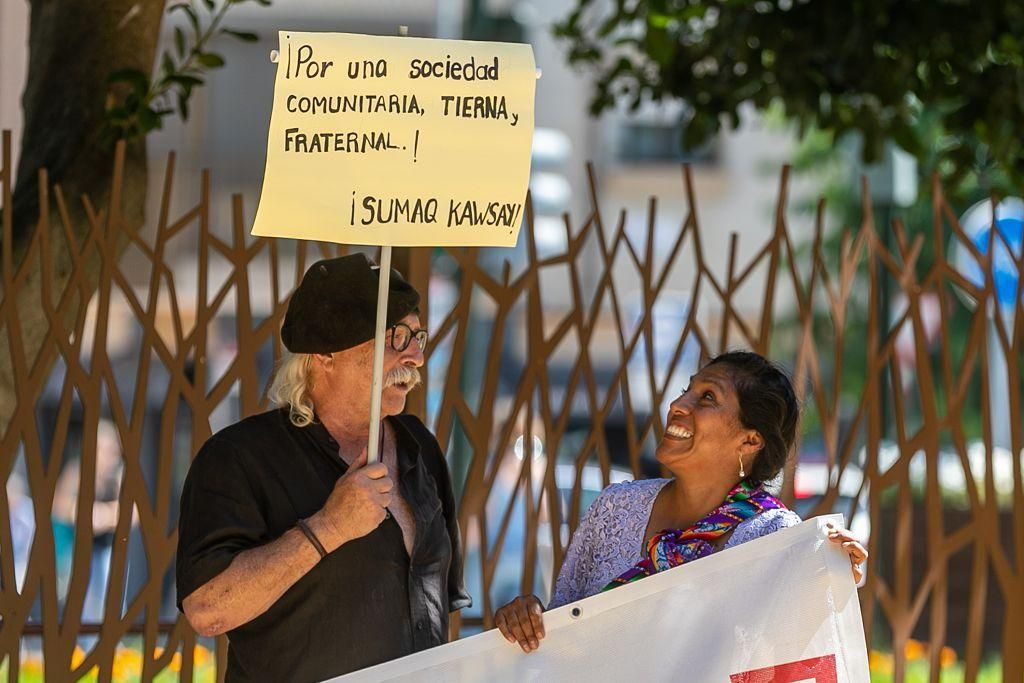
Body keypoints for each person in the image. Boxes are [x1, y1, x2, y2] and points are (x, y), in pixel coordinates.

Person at [176, 254, 471, 682]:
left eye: (417, 337)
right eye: (395, 337)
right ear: (324, 355)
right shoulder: (239, 457)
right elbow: (207, 609)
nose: (416, 357)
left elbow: (437, 610)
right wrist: (329, 528)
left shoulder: (419, 447)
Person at [494, 350, 868, 652]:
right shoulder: (616, 509)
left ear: (749, 441)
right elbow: (563, 633)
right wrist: (527, 621)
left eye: (707, 397)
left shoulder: (771, 535)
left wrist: (829, 590)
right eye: (688, 390)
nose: (678, 404)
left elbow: (786, 654)